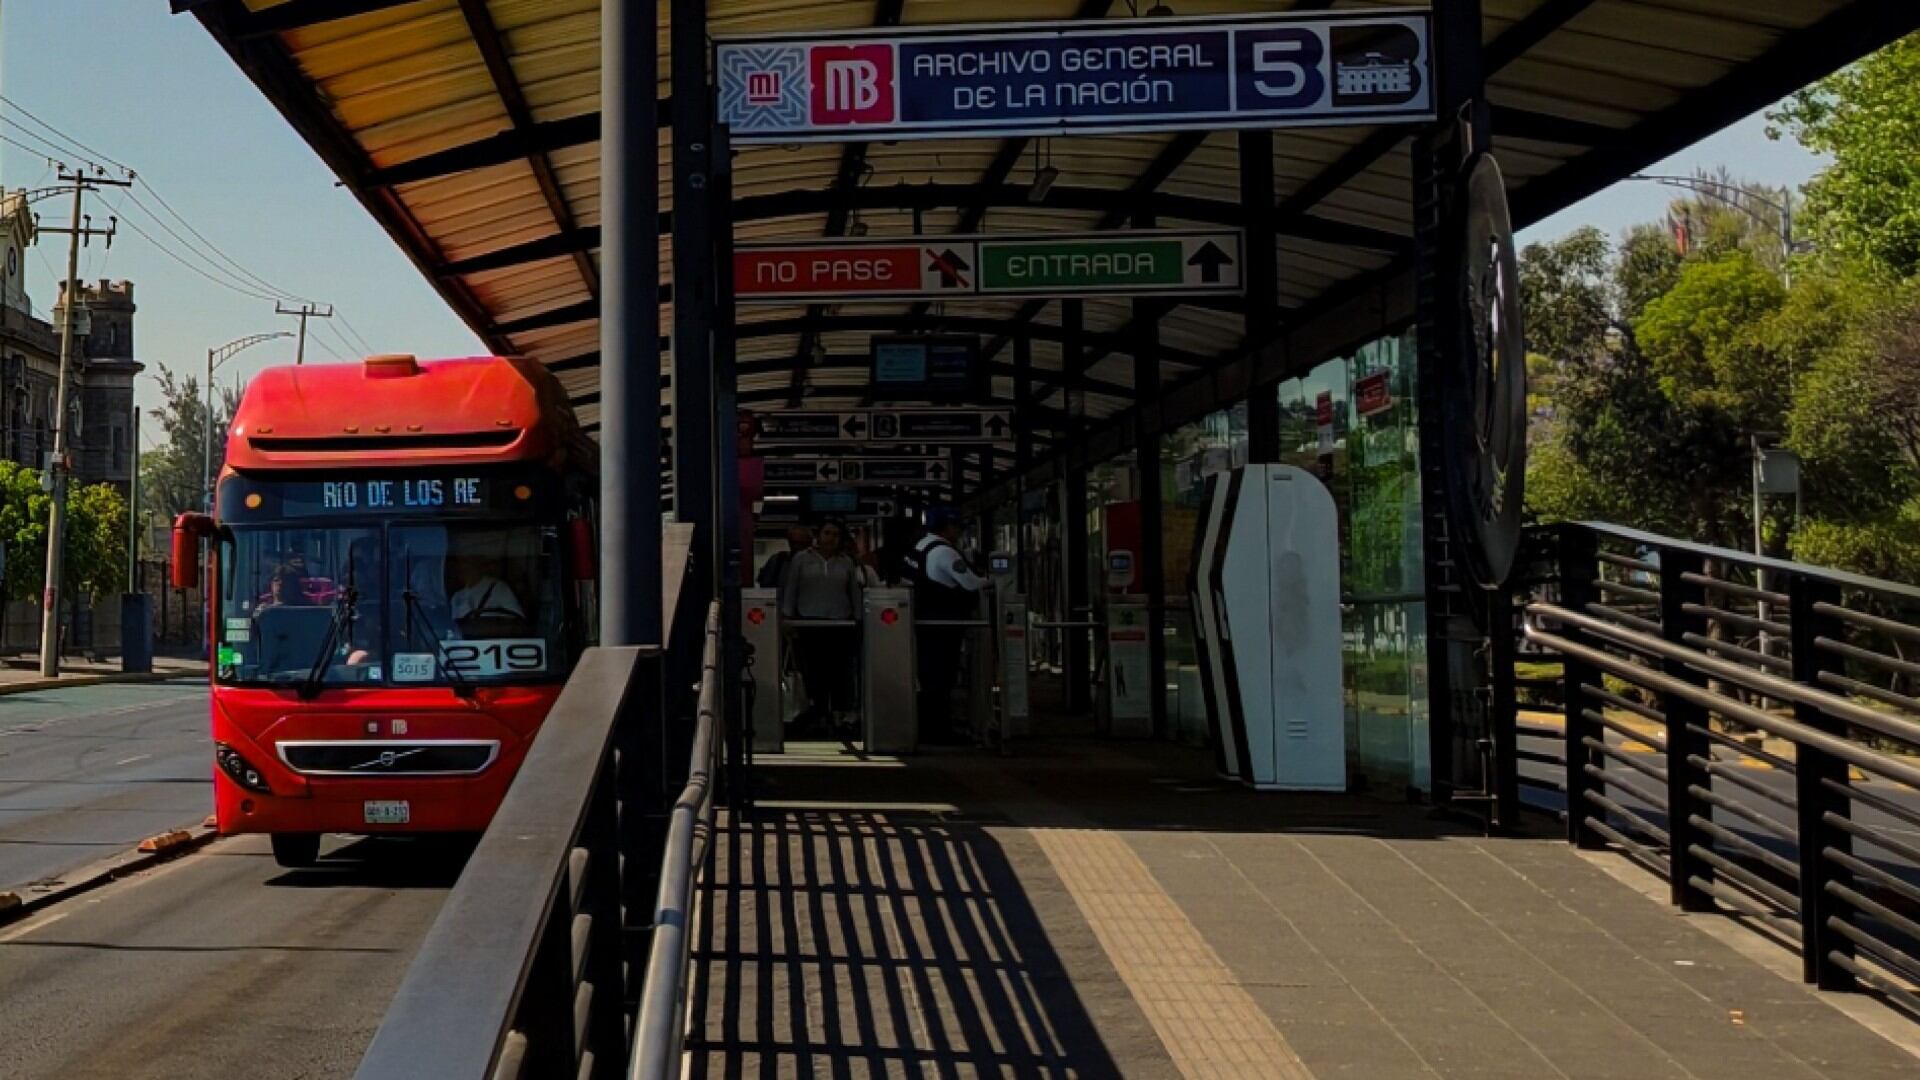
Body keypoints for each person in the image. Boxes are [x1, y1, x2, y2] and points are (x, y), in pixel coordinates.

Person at [902, 507, 986, 744]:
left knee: (927, 677)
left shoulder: (919, 547)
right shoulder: (944, 552)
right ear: (946, 526)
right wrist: (992, 580)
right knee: (941, 678)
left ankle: (928, 727)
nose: (958, 532)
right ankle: (938, 731)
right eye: (956, 526)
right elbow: (972, 585)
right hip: (943, 625)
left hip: (922, 622)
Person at [780, 519, 865, 733]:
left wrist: (858, 617)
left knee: (838, 671)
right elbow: (792, 588)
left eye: (836, 534)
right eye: (827, 533)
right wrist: (787, 618)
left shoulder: (846, 562)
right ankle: (817, 711)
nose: (831, 538)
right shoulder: (801, 559)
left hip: (840, 623)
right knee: (814, 670)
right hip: (810, 622)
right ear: (818, 535)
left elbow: (853, 591)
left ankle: (839, 712)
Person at [758, 525, 813, 590]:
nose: (796, 547)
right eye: (793, 543)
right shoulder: (778, 560)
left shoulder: (816, 562)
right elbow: (765, 587)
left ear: (809, 543)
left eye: (800, 543)